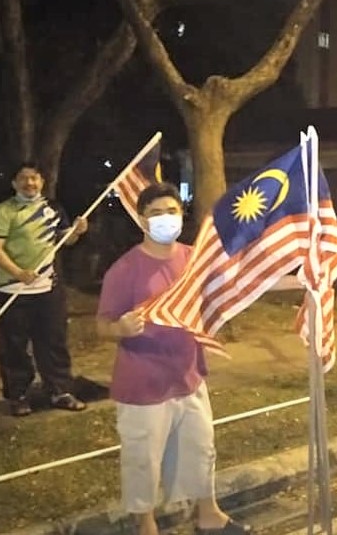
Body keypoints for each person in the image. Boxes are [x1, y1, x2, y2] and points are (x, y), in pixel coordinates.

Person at [96, 183, 251, 535]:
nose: (165, 218)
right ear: (142, 220)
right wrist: (119, 328)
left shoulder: (193, 258)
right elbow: (102, 325)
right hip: (143, 383)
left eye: (171, 211)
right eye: (155, 213)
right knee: (143, 459)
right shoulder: (125, 269)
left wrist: (304, 282)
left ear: (182, 215)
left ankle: (208, 514)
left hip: (188, 375)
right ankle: (146, 525)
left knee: (200, 448)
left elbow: (237, 282)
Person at [0, 161, 89, 417]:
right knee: (14, 346)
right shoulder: (3, 211)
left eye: (34, 178)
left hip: (48, 290)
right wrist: (18, 272)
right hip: (12, 290)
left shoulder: (54, 208)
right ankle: (18, 395)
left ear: (42, 181)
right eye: (23, 178)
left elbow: (65, 240)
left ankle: (60, 390)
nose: (29, 183)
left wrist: (77, 231)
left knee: (53, 342)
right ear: (14, 183)